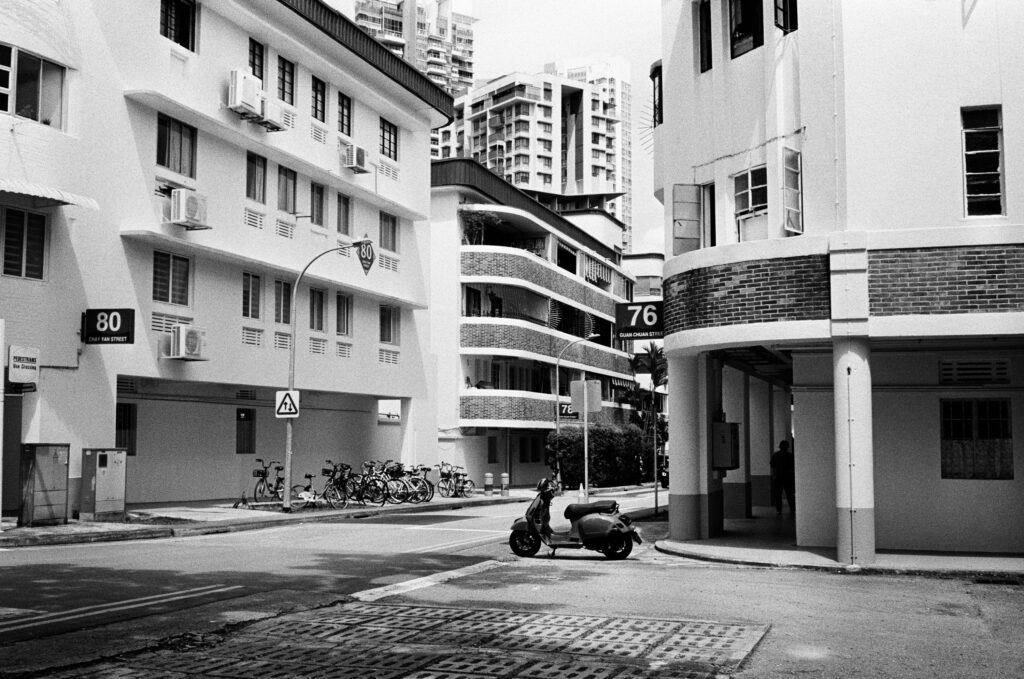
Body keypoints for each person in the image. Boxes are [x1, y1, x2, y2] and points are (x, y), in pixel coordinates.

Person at [770, 440, 795, 516]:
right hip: (788, 478)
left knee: (778, 495)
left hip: (778, 478)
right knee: (789, 494)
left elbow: (772, 465)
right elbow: (793, 466)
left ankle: (779, 510)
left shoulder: (776, 455)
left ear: (780, 446)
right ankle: (792, 509)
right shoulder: (790, 456)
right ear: (787, 447)